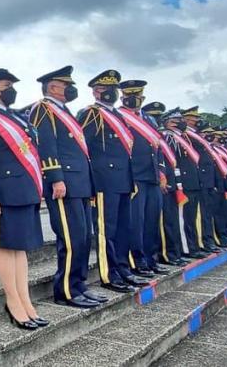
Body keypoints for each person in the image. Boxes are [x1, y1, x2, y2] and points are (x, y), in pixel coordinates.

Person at [0, 69, 47, 331]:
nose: (11, 89)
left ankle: (25, 300)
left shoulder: (17, 117)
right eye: (6, 85)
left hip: (24, 190)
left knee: (20, 247)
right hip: (3, 191)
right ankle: (13, 302)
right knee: (4, 246)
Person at [29, 66, 106, 308]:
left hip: (80, 182)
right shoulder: (44, 108)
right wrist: (55, 178)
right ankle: (65, 290)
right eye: (66, 85)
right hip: (64, 183)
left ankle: (79, 285)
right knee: (71, 239)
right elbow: (46, 144)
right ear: (53, 87)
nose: (71, 89)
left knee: (83, 237)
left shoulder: (65, 111)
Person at [78, 70, 148, 292]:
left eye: (113, 89)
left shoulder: (119, 116)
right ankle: (109, 275)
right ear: (95, 92)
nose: (110, 93)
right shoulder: (91, 114)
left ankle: (123, 269)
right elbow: (83, 147)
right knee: (106, 230)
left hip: (124, 179)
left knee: (123, 228)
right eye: (104, 89)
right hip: (104, 180)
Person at [117, 80, 167, 276]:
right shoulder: (118, 117)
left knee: (151, 221)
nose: (133, 99)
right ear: (122, 97)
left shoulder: (149, 119)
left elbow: (158, 148)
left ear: (142, 97)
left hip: (152, 175)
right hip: (134, 176)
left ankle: (150, 259)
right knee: (135, 222)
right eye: (128, 96)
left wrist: (161, 171)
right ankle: (137, 261)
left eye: (136, 96)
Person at [142, 103, 188, 268]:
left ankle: (173, 253)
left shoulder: (163, 136)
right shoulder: (161, 136)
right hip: (161, 181)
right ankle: (167, 254)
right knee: (164, 222)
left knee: (171, 221)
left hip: (170, 181)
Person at [162, 108, 206, 259]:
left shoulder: (183, 137)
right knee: (182, 220)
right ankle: (186, 249)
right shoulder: (170, 137)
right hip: (182, 183)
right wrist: (178, 183)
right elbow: (173, 161)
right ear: (169, 123)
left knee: (190, 218)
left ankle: (192, 246)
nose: (181, 122)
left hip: (191, 182)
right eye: (177, 120)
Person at [181, 107, 222, 254]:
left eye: (197, 119)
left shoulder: (196, 136)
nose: (196, 121)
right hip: (197, 179)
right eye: (193, 119)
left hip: (205, 180)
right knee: (198, 216)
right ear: (186, 120)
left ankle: (207, 240)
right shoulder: (186, 135)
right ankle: (200, 243)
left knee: (206, 214)